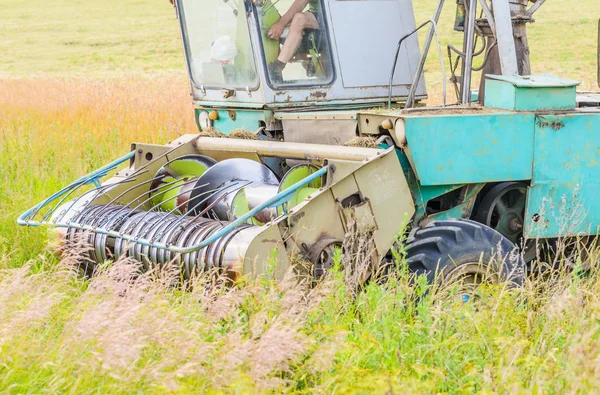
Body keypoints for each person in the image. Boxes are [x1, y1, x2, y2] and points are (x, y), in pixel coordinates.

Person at [266, 0, 319, 83]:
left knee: (299, 19)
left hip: (331, 14)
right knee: (281, 27)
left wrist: (281, 24)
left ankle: (277, 68)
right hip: (317, 14)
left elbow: (301, 2)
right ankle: (304, 57)